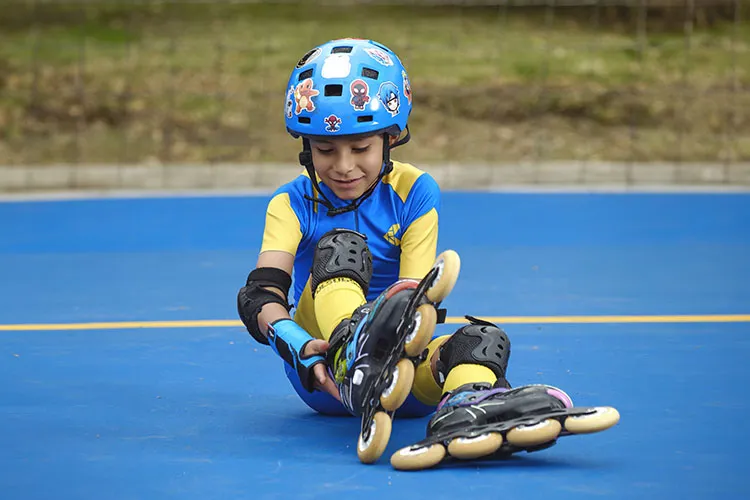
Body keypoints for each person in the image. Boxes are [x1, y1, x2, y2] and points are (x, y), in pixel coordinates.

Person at [237, 38, 619, 470]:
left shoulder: (416, 191)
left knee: (481, 342)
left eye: (360, 148)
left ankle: (466, 409)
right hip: (323, 372)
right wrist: (299, 346)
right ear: (307, 147)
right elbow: (260, 297)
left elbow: (418, 300)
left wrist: (407, 346)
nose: (343, 166)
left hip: (401, 376)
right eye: (326, 150)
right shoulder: (290, 203)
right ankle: (353, 344)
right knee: (342, 247)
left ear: (391, 138)